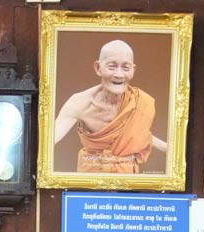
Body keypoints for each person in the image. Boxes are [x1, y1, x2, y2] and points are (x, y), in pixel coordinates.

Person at [54, 39, 167, 173]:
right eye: (112, 67)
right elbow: (49, 139)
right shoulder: (79, 103)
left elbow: (138, 134)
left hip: (126, 179)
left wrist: (171, 149)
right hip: (91, 176)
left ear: (133, 70)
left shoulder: (140, 101)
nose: (119, 74)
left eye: (126, 68)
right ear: (98, 68)